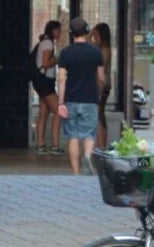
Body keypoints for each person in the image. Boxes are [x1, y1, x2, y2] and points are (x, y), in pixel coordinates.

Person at [55, 17, 104, 175]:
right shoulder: (96, 52)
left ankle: (76, 173)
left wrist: (61, 101)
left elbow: (61, 78)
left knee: (73, 136)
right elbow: (101, 78)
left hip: (71, 99)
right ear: (87, 31)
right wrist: (99, 90)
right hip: (90, 98)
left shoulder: (65, 53)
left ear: (71, 33)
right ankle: (88, 157)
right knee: (89, 135)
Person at [32, 20, 62, 154]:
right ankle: (55, 145)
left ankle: (40, 144)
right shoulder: (48, 43)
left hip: (40, 81)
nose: (60, 33)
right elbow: (45, 63)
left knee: (43, 113)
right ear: (53, 30)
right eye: (59, 30)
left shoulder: (43, 42)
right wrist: (57, 59)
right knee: (58, 111)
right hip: (46, 81)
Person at [90, 22, 113, 148]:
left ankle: (101, 145)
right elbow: (86, 42)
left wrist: (92, 30)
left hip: (102, 86)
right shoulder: (100, 49)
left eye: (96, 35)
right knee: (99, 115)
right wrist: (92, 31)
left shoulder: (104, 51)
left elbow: (101, 72)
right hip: (101, 85)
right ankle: (101, 145)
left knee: (98, 116)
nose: (94, 38)